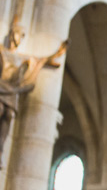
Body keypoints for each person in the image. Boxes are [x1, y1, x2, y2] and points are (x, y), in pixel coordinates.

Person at [0, 19, 68, 164]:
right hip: (1, 86)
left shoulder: (22, 57)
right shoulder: (2, 51)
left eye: (23, 35)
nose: (20, 38)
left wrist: (56, 54)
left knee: (9, 114)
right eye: (19, 34)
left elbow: (40, 60)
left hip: (11, 90)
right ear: (13, 34)